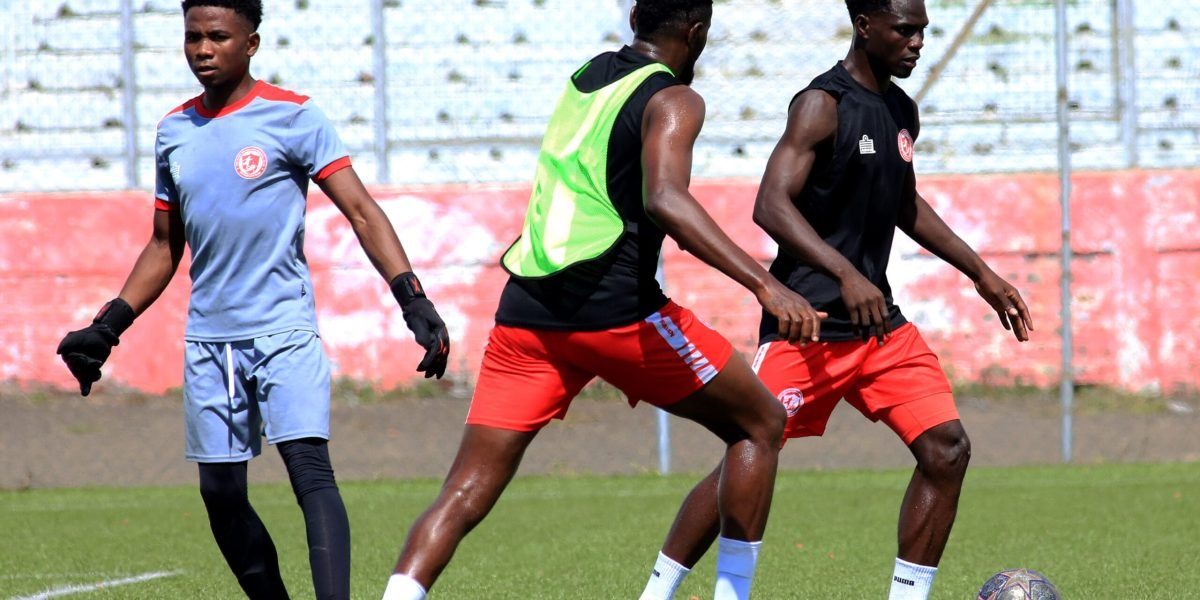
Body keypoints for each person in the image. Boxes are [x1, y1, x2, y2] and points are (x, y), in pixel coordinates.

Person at [380, 2, 826, 599]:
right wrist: (766, 284)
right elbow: (666, 198)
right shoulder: (675, 99)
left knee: (464, 489)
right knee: (761, 423)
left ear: (637, 15)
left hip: (527, 316)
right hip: (619, 316)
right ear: (697, 33)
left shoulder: (585, 74)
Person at [637, 1, 1035, 599]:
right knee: (747, 458)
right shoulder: (821, 104)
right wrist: (844, 271)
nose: (917, 42)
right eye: (904, 29)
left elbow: (905, 205)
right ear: (865, 25)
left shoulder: (901, 111)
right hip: (809, 326)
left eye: (923, 29)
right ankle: (659, 592)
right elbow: (770, 203)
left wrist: (980, 272)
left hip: (879, 331)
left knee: (947, 449)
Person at [54, 1, 450, 598]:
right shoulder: (174, 130)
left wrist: (411, 297)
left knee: (309, 471)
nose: (202, 49)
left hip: (283, 329)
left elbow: (362, 212)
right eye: (192, 37)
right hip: (210, 341)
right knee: (220, 494)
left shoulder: (293, 116)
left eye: (218, 36)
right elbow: (164, 245)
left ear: (251, 43)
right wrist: (107, 325)